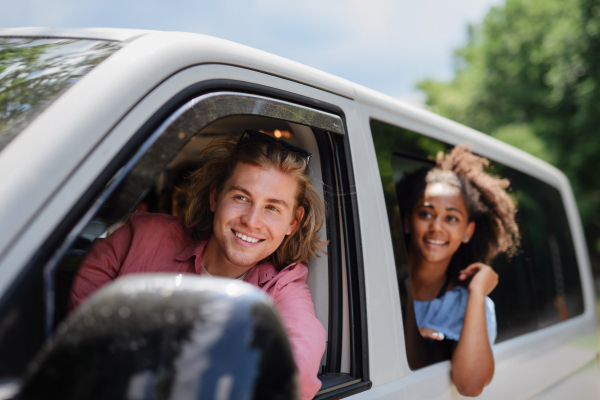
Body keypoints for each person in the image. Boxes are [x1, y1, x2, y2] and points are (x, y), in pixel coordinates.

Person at [69, 130, 327, 400]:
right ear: (215, 197)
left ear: (293, 223)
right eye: (241, 197)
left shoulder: (283, 287)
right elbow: (80, 323)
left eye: (272, 208)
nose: (252, 221)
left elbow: (294, 372)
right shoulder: (140, 237)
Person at [397, 144, 519, 397]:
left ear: (468, 231)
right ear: (408, 221)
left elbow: (470, 385)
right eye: (426, 214)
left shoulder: (471, 304)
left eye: (451, 218)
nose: (437, 228)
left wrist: (476, 294)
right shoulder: (375, 277)